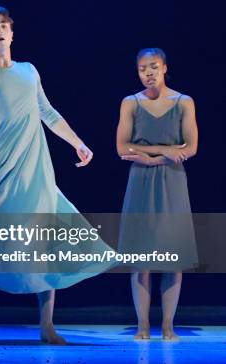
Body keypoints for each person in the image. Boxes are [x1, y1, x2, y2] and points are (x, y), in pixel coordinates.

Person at [0, 6, 111, 344]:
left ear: (12, 34)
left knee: (41, 244)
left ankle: (47, 325)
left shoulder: (29, 71)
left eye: (4, 25)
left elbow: (46, 110)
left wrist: (77, 142)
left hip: (34, 170)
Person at [116, 48, 198, 341]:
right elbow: (122, 147)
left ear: (164, 67)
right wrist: (161, 153)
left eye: (153, 67)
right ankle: (141, 325)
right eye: (142, 69)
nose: (148, 73)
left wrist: (154, 155)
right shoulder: (130, 103)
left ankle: (167, 325)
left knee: (173, 257)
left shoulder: (184, 102)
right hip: (140, 179)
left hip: (172, 179)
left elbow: (190, 147)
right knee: (141, 257)